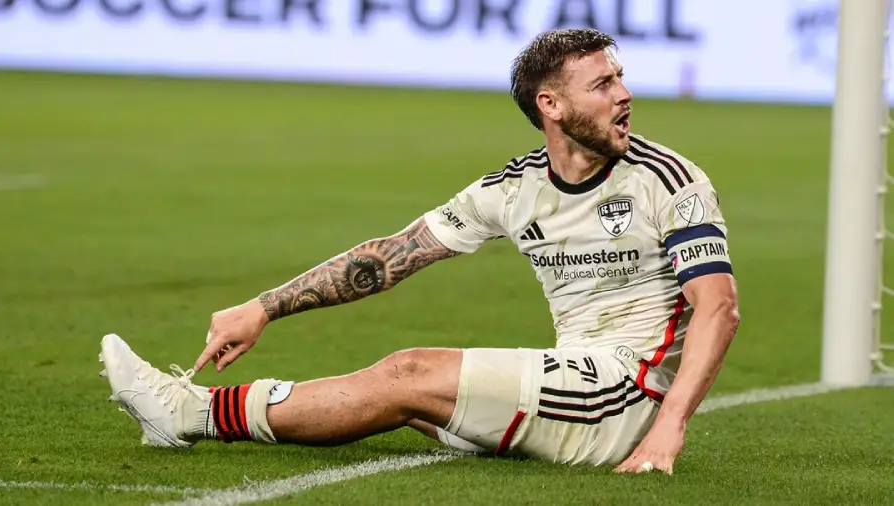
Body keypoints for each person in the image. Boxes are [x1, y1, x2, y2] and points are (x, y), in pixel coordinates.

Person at [100, 27, 740, 475]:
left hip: (628, 397)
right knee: (407, 401)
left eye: (620, 78)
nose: (623, 93)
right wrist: (262, 309)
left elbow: (718, 310)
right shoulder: (512, 190)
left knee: (408, 374)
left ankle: (191, 412)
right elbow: (388, 258)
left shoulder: (669, 179)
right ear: (551, 104)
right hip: (576, 379)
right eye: (602, 84)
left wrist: (669, 428)